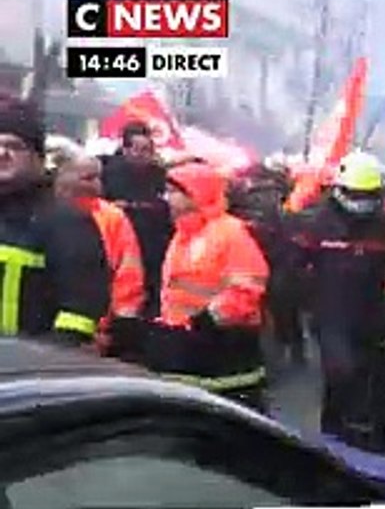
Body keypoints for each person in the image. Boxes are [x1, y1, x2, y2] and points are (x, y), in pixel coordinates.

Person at [108, 161, 271, 410]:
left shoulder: (230, 232)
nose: (167, 199)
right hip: (185, 346)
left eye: (174, 192)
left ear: (196, 194)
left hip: (223, 353)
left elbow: (247, 287)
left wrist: (208, 320)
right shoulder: (184, 234)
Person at [291, 151, 385, 454]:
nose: (362, 201)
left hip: (372, 318)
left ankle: (375, 449)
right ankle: (333, 443)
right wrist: (306, 303)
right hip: (331, 316)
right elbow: (292, 269)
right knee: (341, 376)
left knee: (377, 388)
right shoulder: (317, 222)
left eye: (369, 195)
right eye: (356, 194)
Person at [0, 96, 111, 346]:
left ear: (38, 158)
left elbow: (79, 314)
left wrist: (43, 357)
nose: (1, 153)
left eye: (14, 146)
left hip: (27, 373)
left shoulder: (67, 223)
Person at [50, 148, 145, 337]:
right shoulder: (41, 213)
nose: (97, 185)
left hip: (95, 330)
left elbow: (128, 274)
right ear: (60, 178)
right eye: (88, 178)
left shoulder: (112, 217)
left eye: (98, 178)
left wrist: (118, 325)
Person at [228, 164, 306, 368]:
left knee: (274, 302)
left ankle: (287, 346)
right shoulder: (282, 190)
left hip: (267, 252)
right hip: (271, 252)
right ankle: (290, 346)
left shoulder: (238, 190)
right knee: (281, 303)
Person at [100, 120, 172, 318]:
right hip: (115, 246)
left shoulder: (159, 176)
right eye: (137, 149)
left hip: (151, 248)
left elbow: (165, 208)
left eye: (147, 149)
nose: (142, 155)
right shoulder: (106, 172)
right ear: (125, 148)